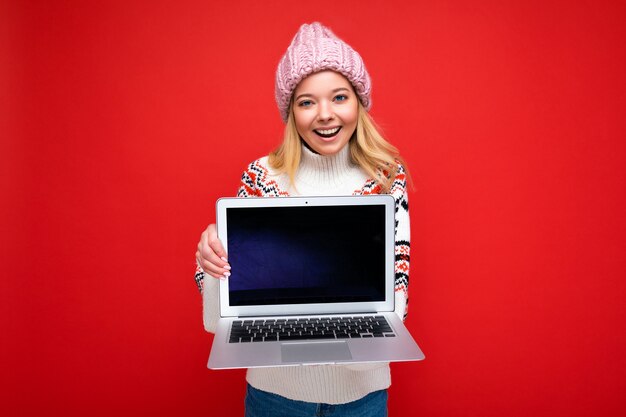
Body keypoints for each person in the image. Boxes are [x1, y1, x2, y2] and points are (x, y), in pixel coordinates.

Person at [195, 22, 411, 417]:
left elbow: (394, 309)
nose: (325, 115)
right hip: (272, 398)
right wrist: (209, 263)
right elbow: (215, 322)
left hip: (361, 399)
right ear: (291, 111)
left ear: (359, 102)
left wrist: (319, 334)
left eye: (339, 97)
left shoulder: (385, 179)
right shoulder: (261, 176)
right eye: (307, 102)